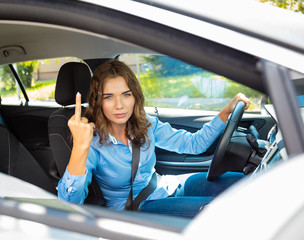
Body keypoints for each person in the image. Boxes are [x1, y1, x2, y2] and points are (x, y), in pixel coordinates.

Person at [57, 60, 250, 214]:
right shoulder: (92, 141)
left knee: (243, 184)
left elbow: (194, 144)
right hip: (135, 209)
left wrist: (225, 113)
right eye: (109, 97)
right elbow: (68, 206)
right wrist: (80, 147)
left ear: (135, 96)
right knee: (223, 210)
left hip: (165, 186)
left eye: (126, 94)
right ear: (98, 101)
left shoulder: (146, 123)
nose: (119, 105)